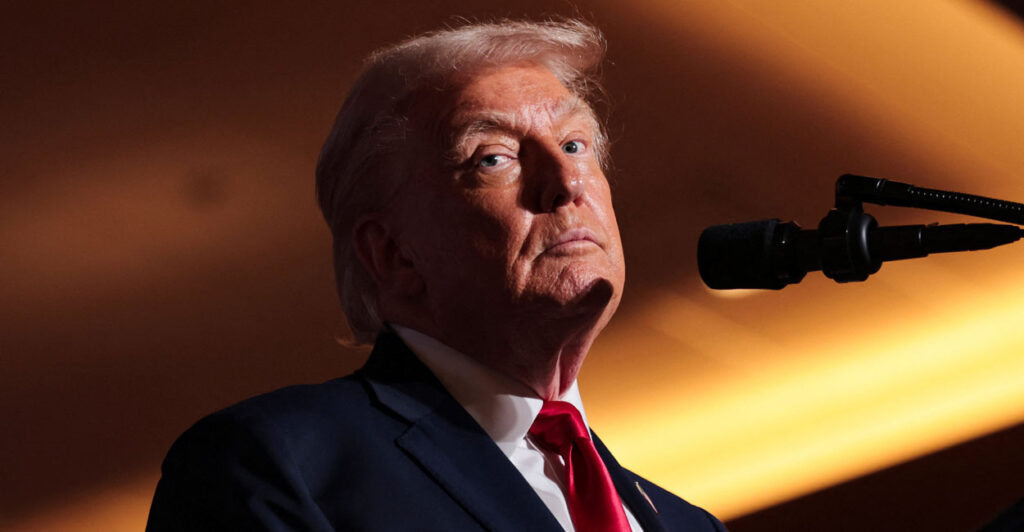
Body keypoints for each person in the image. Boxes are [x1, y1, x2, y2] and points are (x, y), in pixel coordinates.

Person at [146, 19, 727, 531]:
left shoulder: (687, 524)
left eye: (574, 143)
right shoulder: (278, 462)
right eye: (493, 157)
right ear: (394, 254)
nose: (566, 181)